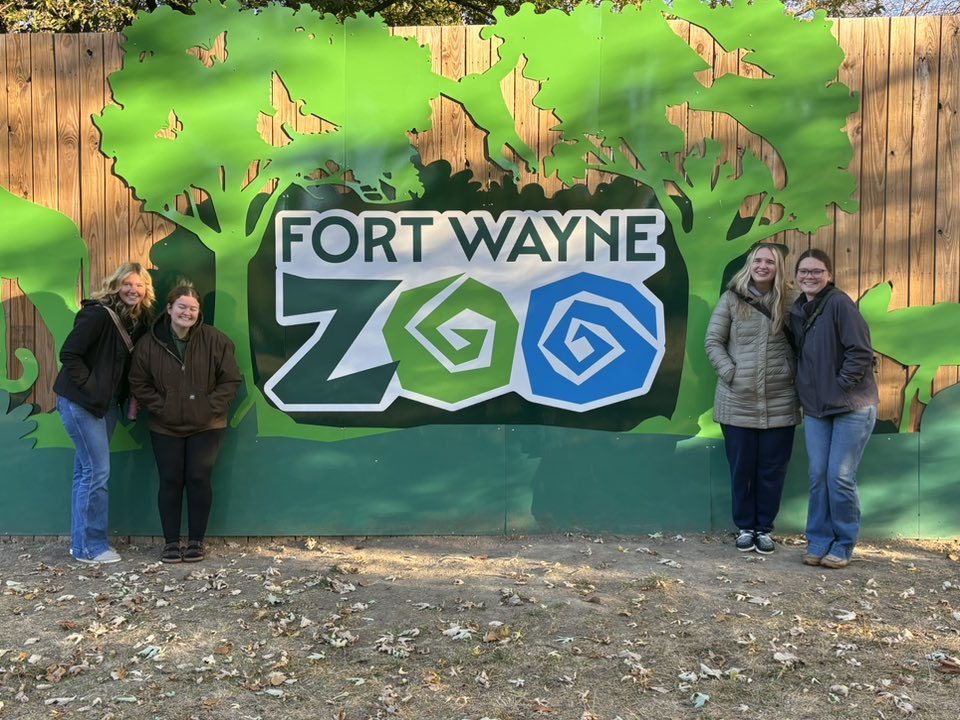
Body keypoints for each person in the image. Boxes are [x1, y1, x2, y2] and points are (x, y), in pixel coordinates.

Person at [129, 284, 241, 564]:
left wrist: (207, 408)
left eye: (193, 308)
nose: (187, 312)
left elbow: (230, 381)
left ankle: (196, 542)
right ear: (169, 309)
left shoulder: (216, 340)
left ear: (199, 312)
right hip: (165, 426)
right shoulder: (149, 343)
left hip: (207, 425)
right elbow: (138, 382)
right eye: (181, 306)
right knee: (170, 480)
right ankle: (170, 543)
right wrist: (163, 407)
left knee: (198, 479)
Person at [54, 263, 155, 564]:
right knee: (97, 472)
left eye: (139, 285)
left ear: (146, 290)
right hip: (81, 403)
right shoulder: (98, 314)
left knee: (86, 472)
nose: (133, 290)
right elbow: (69, 353)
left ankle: (79, 544)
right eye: (127, 284)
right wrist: (91, 389)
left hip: (105, 405)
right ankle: (91, 546)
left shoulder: (138, 321)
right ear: (115, 285)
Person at [706, 243, 801, 554]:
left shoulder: (791, 301)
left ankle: (764, 528)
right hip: (737, 400)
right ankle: (745, 527)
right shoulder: (732, 299)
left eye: (770, 262)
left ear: (778, 268)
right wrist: (730, 372)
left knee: (773, 469)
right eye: (758, 260)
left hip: (781, 399)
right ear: (750, 264)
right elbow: (713, 341)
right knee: (742, 468)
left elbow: (805, 343)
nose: (763, 266)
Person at [790, 249, 878, 569]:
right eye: (804, 271)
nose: (809, 276)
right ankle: (818, 539)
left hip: (851, 406)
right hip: (817, 409)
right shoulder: (799, 309)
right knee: (817, 475)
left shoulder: (840, 303)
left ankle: (843, 542)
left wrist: (840, 386)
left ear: (829, 275)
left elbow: (860, 351)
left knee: (839, 476)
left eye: (817, 271)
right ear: (796, 275)